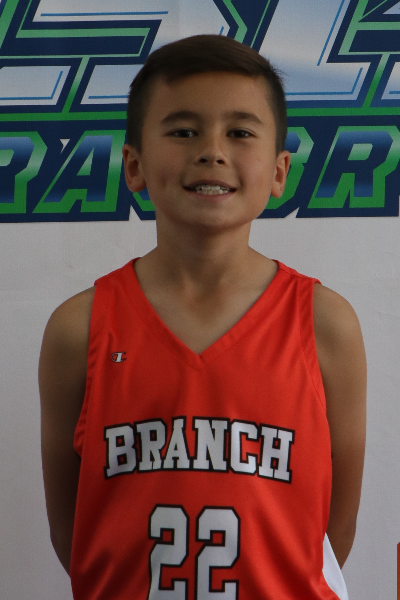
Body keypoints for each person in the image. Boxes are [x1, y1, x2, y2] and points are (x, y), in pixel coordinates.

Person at [39, 35, 366, 599]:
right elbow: (75, 533)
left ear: (279, 172)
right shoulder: (79, 327)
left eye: (240, 132)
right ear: (134, 165)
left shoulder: (325, 324)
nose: (212, 151)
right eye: (183, 131)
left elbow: (332, 532)